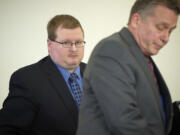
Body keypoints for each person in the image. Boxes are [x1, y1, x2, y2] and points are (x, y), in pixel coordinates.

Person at [77, 0, 180, 135]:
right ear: (136, 20)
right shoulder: (112, 50)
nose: (166, 38)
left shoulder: (140, 55)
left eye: (171, 31)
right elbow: (125, 120)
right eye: (161, 27)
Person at [0, 14, 86, 135]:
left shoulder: (95, 73)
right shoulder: (27, 80)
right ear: (50, 44)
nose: (74, 49)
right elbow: (8, 130)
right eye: (66, 43)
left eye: (78, 42)